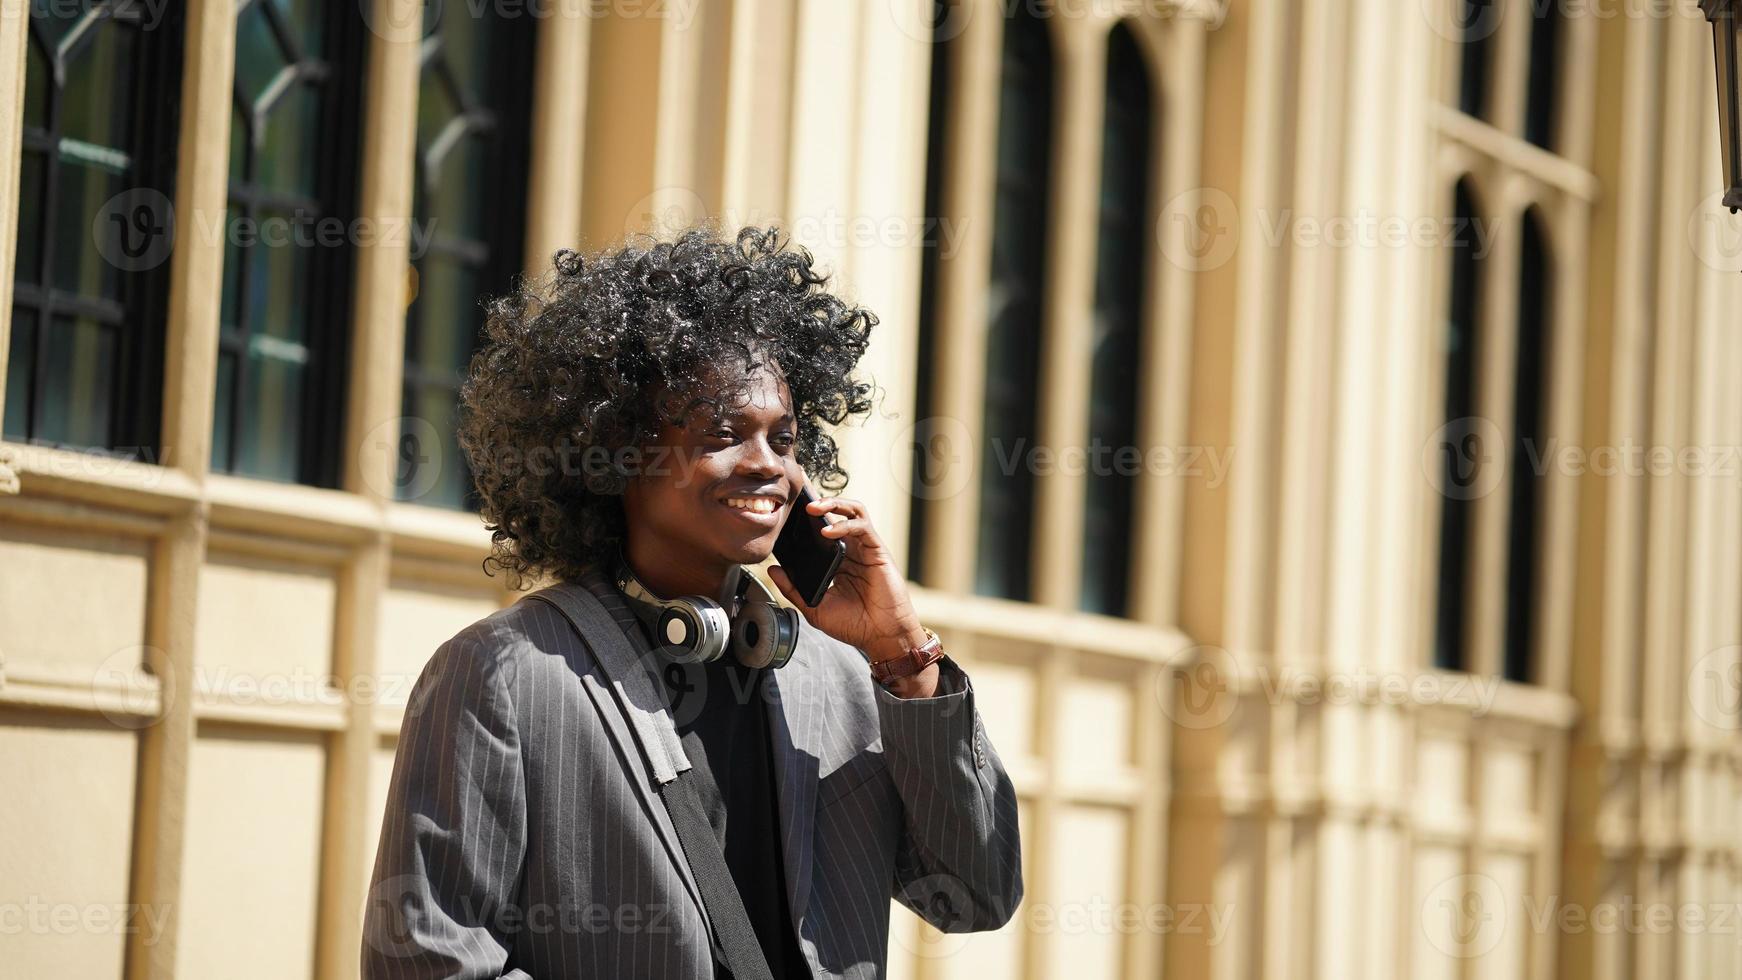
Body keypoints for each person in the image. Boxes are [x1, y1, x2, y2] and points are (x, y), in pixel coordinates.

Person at [362, 226, 1023, 979]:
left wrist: (905, 654)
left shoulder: (848, 674)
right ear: (616, 449)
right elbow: (428, 962)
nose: (767, 466)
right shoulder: (501, 678)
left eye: (785, 438)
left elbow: (977, 895)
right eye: (723, 433)